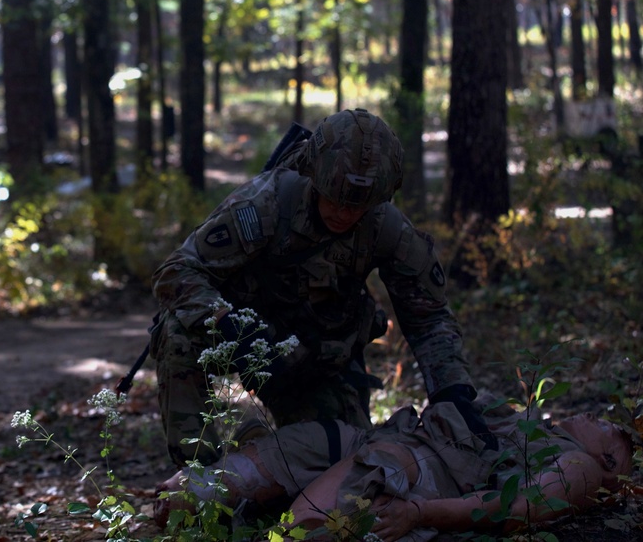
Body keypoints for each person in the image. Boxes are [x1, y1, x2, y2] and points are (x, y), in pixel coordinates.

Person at [151, 108, 488, 467]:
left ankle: (253, 452)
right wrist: (228, 323)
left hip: (314, 361)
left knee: (343, 465)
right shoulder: (266, 203)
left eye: (357, 205)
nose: (344, 213)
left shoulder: (386, 228)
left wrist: (452, 393)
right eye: (335, 198)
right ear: (313, 175)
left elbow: (429, 318)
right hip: (246, 339)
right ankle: (197, 481)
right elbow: (177, 271)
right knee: (177, 335)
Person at [155, 399, 636, 540]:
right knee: (179, 495)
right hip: (381, 437)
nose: (595, 416)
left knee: (298, 535)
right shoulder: (532, 422)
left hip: (408, 465)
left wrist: (422, 512)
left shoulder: (580, 466)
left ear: (609, 461)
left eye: (606, 425)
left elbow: (518, 507)